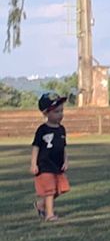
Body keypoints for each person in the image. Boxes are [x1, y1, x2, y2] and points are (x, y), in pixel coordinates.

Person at [30, 92, 69, 221]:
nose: (60, 115)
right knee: (50, 190)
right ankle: (49, 215)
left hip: (57, 165)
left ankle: (41, 204)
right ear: (46, 113)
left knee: (61, 188)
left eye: (61, 111)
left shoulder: (61, 129)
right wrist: (34, 164)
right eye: (56, 112)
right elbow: (36, 147)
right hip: (44, 165)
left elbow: (63, 147)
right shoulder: (42, 129)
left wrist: (66, 160)